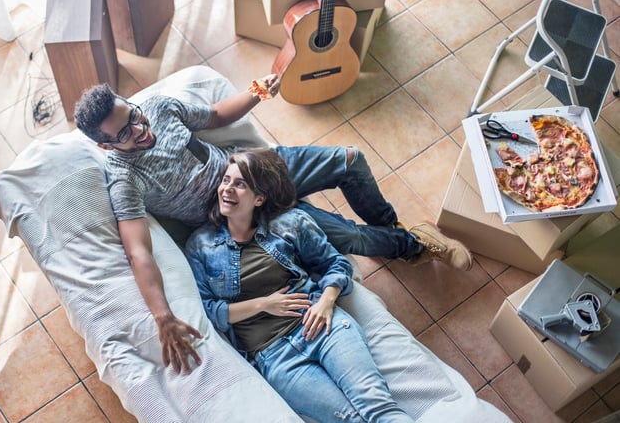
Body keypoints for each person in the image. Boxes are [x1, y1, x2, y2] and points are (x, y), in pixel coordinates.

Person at [73, 72, 472, 374]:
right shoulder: (124, 178)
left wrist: (257, 92)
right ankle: (415, 246)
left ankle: (395, 226)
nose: (142, 130)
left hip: (250, 167)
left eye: (135, 116)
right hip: (236, 214)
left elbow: (213, 115)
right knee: (347, 238)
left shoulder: (158, 107)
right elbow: (138, 250)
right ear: (106, 145)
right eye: (125, 133)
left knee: (350, 159)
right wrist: (163, 316)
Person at [185, 148, 414, 422]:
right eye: (226, 180)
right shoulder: (201, 245)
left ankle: (414, 245)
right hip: (275, 357)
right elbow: (211, 311)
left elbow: (335, 264)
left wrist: (326, 302)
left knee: (378, 408)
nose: (227, 189)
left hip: (321, 327)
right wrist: (264, 304)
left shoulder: (290, 224)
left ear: (259, 198)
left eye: (240, 184)